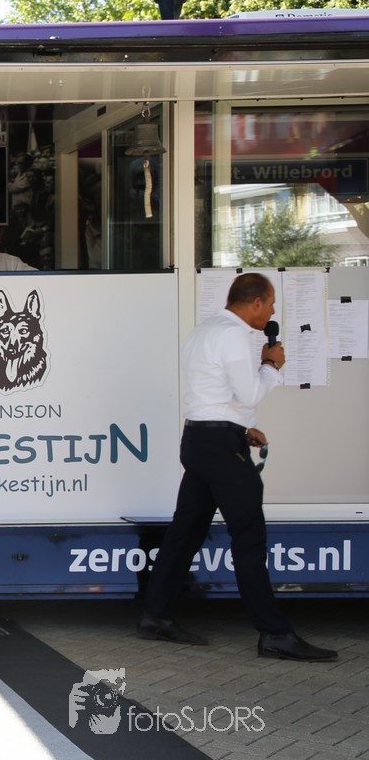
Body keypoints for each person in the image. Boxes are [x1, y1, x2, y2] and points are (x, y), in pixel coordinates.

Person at [139, 273, 336, 662]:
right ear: (256, 302)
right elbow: (249, 393)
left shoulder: (204, 330)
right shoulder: (233, 335)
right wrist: (271, 365)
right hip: (220, 448)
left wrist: (242, 428)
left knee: (185, 533)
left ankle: (155, 616)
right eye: (271, 304)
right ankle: (275, 634)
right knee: (249, 538)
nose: (273, 312)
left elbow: (213, 396)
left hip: (199, 440)